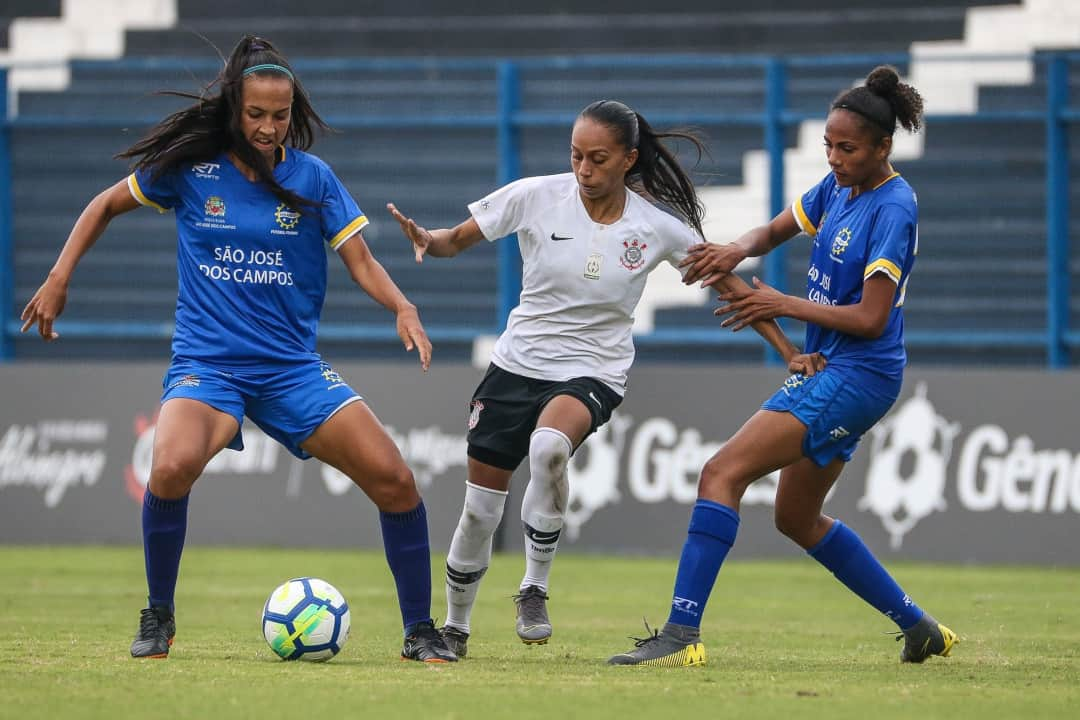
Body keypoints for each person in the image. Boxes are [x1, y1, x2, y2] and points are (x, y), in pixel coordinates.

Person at [19, 35, 458, 663]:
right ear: (234, 107)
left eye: (280, 115)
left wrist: (403, 306)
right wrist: (60, 276)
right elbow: (103, 204)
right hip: (208, 365)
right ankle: (159, 617)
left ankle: (419, 631)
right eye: (256, 114)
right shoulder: (189, 168)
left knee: (395, 479)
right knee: (168, 468)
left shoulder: (313, 177)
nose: (268, 126)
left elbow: (358, 260)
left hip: (291, 370)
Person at [387, 99, 823, 658]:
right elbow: (456, 239)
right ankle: (455, 628)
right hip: (517, 364)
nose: (583, 170)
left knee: (549, 447)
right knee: (480, 508)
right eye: (576, 157)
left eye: (597, 159)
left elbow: (729, 284)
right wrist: (429, 240)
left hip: (594, 368)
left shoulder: (658, 226)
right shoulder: (535, 196)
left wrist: (787, 348)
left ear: (628, 160)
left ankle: (533, 588)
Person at [607, 66, 958, 667]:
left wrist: (779, 304)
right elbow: (775, 229)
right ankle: (919, 628)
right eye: (827, 144)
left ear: (883, 147)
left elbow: (873, 318)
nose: (833, 156)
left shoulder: (893, 208)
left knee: (720, 474)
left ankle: (680, 636)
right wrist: (735, 250)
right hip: (831, 369)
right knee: (796, 517)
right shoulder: (837, 189)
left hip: (857, 373)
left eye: (846, 147)